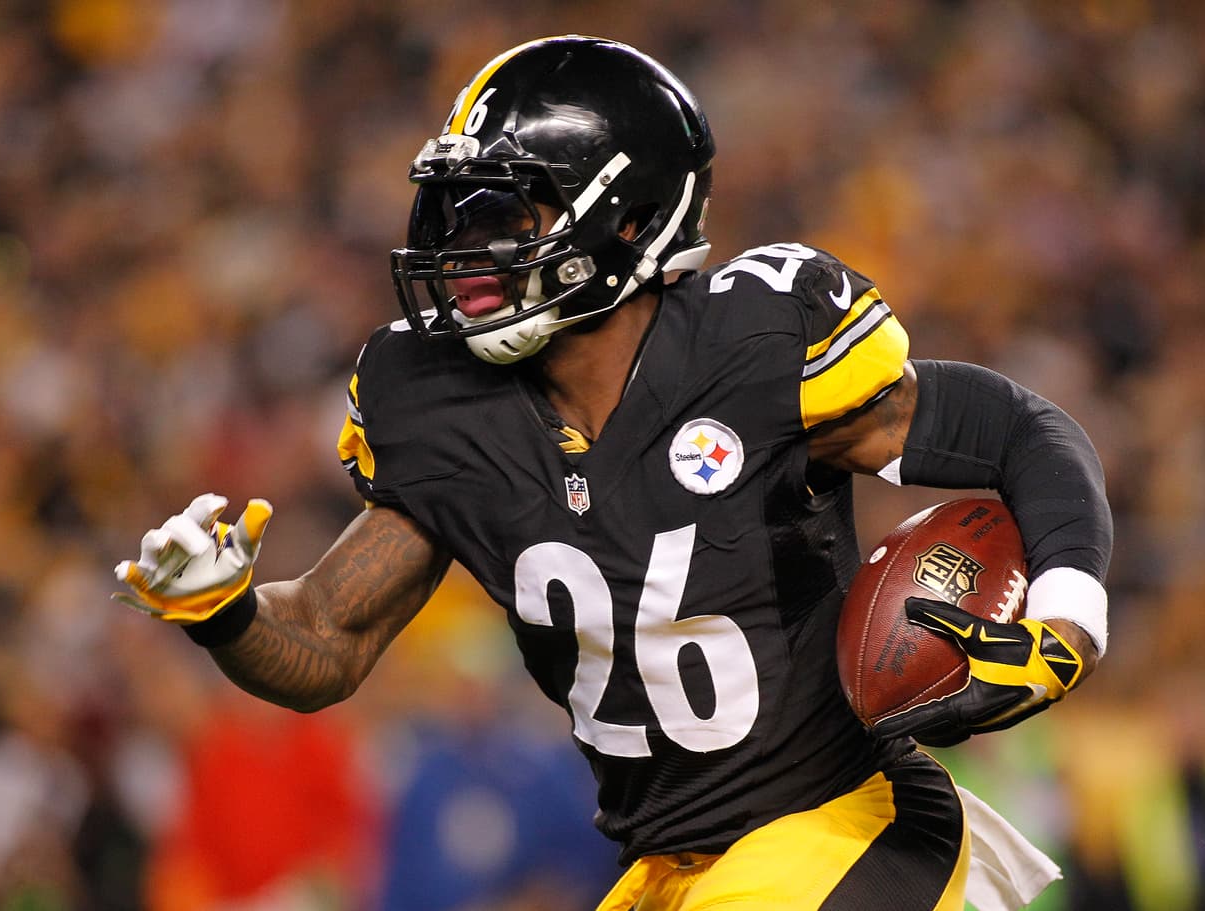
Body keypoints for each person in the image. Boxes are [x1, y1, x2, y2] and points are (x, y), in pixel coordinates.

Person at [115, 35, 1113, 911]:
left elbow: (1018, 431)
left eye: (506, 215)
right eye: (456, 216)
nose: (467, 250)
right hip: (672, 867)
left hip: (840, 825)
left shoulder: (753, 347)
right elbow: (327, 638)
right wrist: (224, 612)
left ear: (628, 221)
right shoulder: (446, 410)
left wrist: (1066, 617)